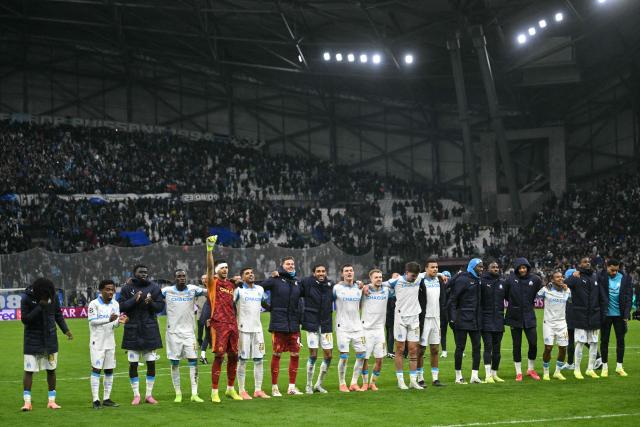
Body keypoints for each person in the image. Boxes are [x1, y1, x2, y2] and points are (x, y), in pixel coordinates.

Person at [20, 278, 73, 411]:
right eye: (44, 295)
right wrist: (40, 306)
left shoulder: (52, 297)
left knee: (51, 370)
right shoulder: (26, 298)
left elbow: (58, 315)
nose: (47, 297)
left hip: (50, 339)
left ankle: (51, 401)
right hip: (32, 340)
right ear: (37, 292)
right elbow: (25, 320)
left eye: (48, 295)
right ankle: (27, 403)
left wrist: (66, 330)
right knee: (29, 370)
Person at [118, 264, 165, 405]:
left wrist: (151, 302)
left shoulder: (155, 288)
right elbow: (120, 306)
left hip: (149, 330)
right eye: (141, 272)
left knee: (151, 363)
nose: (144, 274)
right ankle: (136, 395)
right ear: (134, 273)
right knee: (133, 364)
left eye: (145, 272)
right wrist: (134, 299)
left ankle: (149, 395)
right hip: (132, 330)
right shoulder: (126, 288)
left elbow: (160, 307)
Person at [205, 236, 242, 403]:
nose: (225, 270)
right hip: (218, 323)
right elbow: (209, 267)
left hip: (232, 323)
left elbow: (236, 281)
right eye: (223, 268)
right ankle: (214, 391)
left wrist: (237, 280)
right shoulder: (212, 282)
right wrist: (210, 250)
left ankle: (230, 389)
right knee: (219, 356)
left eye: (227, 267)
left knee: (234, 355)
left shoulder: (230, 285)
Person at [260, 256, 303, 396]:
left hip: (294, 325)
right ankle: (274, 387)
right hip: (278, 324)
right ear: (282, 265)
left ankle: (291, 387)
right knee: (277, 354)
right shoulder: (275, 279)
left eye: (292, 263)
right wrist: (267, 306)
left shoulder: (297, 282)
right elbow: (257, 289)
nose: (290, 266)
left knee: (295, 354)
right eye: (287, 264)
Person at [161, 269, 206, 403]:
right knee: (175, 363)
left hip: (189, 334)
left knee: (193, 361)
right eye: (179, 276)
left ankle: (194, 393)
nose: (182, 278)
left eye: (184, 276)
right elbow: (153, 295)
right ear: (174, 278)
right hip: (173, 333)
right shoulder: (167, 291)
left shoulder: (193, 289)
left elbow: (210, 293)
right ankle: (178, 393)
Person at [88, 279, 128, 409]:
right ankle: (95, 400)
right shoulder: (93, 304)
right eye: (108, 289)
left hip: (110, 342)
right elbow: (92, 321)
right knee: (96, 370)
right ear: (101, 290)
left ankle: (106, 398)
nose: (111, 292)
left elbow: (114, 324)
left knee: (109, 370)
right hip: (97, 342)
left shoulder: (115, 304)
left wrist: (120, 321)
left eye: (112, 289)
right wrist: (108, 319)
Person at [566, 256, 607, 379]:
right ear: (580, 264)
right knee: (580, 342)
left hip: (594, 314)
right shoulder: (576, 277)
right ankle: (577, 369)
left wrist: (602, 313)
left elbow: (601, 295)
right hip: (580, 315)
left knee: (594, 343)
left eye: (588, 261)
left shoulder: (595, 277)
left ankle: (590, 369)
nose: (587, 263)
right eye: (585, 262)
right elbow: (564, 284)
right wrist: (573, 275)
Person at [384, 261, 423, 390]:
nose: (415, 278)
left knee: (413, 350)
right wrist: (365, 286)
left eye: (416, 276)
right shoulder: (396, 281)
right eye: (412, 276)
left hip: (414, 319)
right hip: (400, 319)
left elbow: (428, 274)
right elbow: (379, 283)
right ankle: (401, 381)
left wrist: (441, 275)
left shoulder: (418, 278)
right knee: (399, 350)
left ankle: (413, 381)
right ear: (406, 273)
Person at [234, 267, 271, 399]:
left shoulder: (259, 289)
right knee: (242, 360)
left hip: (258, 329)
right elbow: (231, 306)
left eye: (251, 273)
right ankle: (242, 390)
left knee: (259, 359)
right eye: (247, 273)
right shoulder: (238, 290)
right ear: (242, 277)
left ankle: (258, 390)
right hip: (243, 329)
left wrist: (277, 310)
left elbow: (265, 304)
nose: (250, 275)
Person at [504, 257, 543, 381]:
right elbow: (506, 295)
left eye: (524, 267)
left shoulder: (535, 279)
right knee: (517, 345)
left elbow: (542, 290)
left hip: (529, 316)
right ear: (516, 269)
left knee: (533, 343)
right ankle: (518, 372)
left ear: (527, 268)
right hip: (514, 317)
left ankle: (530, 369)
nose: (522, 270)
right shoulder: (510, 279)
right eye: (520, 268)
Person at [300, 264, 334, 394]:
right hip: (312, 324)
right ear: (314, 273)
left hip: (326, 324)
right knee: (313, 355)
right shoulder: (307, 282)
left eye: (323, 271)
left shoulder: (330, 285)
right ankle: (308, 385)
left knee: (329, 355)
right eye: (318, 271)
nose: (321, 273)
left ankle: (318, 384)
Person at [448, 258, 483, 384]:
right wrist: (452, 318)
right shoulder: (462, 279)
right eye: (479, 266)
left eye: (482, 266)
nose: (481, 269)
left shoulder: (478, 280)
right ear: (472, 267)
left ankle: (474, 376)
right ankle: (458, 376)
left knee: (477, 347)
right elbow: (453, 299)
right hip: (462, 319)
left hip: (475, 320)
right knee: (460, 348)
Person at [599, 258, 634, 377]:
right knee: (604, 341)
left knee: (621, 341)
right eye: (612, 270)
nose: (614, 272)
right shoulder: (600, 277)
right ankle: (604, 367)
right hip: (605, 315)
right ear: (606, 266)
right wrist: (576, 273)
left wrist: (626, 314)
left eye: (616, 270)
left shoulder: (625, 278)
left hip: (620, 316)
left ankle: (619, 367)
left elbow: (629, 297)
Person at [417, 257, 446, 387]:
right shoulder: (421, 280)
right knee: (421, 350)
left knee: (435, 349)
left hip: (436, 318)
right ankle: (420, 378)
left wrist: (440, 274)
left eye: (436, 267)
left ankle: (435, 378)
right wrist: (440, 273)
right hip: (424, 319)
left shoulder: (439, 281)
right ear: (426, 269)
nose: (435, 269)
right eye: (432, 267)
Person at [537, 272, 571, 381]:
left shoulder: (567, 290)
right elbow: (536, 296)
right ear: (552, 279)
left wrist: (567, 290)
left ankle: (557, 371)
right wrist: (545, 286)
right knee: (548, 348)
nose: (560, 278)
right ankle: (546, 371)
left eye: (561, 277)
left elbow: (571, 300)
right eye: (557, 277)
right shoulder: (546, 289)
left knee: (563, 348)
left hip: (562, 323)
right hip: (549, 323)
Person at [360, 269, 390, 391]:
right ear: (371, 279)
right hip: (366, 329)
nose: (379, 279)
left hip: (379, 330)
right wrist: (362, 285)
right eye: (376, 277)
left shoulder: (386, 290)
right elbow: (357, 284)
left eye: (380, 277)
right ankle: (365, 383)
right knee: (364, 358)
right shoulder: (364, 291)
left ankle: (373, 383)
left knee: (379, 359)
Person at [480, 261, 506, 383]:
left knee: (497, 350)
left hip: (499, 319)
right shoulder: (482, 282)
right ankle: (487, 375)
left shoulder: (502, 282)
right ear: (488, 269)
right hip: (486, 319)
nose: (496, 269)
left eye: (497, 267)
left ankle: (494, 374)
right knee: (488, 347)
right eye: (493, 267)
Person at [440, 270, 452, 358]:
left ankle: (460, 350)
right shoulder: (439, 287)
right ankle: (444, 351)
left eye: (448, 276)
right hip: (442, 313)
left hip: (452, 312)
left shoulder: (454, 287)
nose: (446, 278)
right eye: (445, 276)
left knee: (457, 332)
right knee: (443, 332)